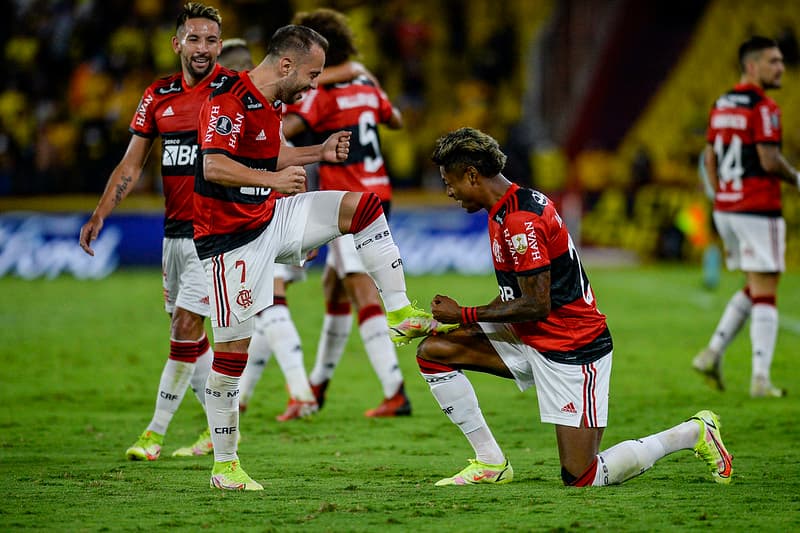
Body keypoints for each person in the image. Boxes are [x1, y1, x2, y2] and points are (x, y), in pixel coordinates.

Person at [194, 24, 451, 490]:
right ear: (286, 65)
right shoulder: (228, 98)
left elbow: (272, 156)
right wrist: (278, 181)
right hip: (231, 240)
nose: (316, 85)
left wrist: (318, 151)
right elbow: (213, 164)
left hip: (271, 216)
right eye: (312, 75)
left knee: (361, 206)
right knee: (232, 354)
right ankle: (226, 465)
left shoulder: (270, 104)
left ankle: (400, 312)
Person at [414, 127, 733, 488]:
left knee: (582, 475)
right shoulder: (503, 210)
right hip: (531, 337)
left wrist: (465, 315)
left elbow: (536, 303)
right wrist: (443, 325)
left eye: (449, 181)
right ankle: (491, 462)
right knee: (434, 351)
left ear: (472, 175)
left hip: (573, 346)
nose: (448, 191)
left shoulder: (521, 221)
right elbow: (513, 295)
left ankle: (692, 433)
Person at [78, 2, 233, 461]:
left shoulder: (234, 93)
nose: (202, 47)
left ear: (220, 46)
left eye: (210, 39)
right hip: (174, 236)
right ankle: (222, 430)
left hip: (216, 233)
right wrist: (101, 212)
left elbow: (266, 151)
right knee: (189, 337)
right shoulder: (158, 95)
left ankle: (154, 434)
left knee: (185, 329)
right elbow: (132, 162)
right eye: (194, 38)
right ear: (177, 43)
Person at [279, 8, 411, 418]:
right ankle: (317, 385)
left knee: (359, 288)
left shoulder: (322, 94)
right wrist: (356, 75)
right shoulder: (367, 84)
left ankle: (395, 390)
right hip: (380, 192)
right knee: (334, 289)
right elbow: (397, 119)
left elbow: (287, 130)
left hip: (347, 203)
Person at [693, 36, 800, 397]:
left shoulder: (721, 104)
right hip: (758, 207)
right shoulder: (765, 107)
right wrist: (797, 178)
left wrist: (721, 193)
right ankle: (760, 378)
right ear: (752, 66)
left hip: (727, 206)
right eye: (773, 61)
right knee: (767, 289)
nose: (780, 68)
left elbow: (709, 157)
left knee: (755, 284)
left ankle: (712, 352)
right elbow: (769, 161)